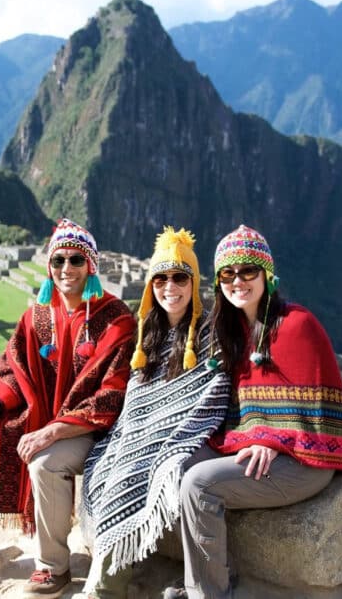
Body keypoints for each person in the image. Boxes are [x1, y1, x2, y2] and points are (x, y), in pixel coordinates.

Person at [0, 218, 136, 598]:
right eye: (59, 260)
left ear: (91, 266)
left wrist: (55, 429)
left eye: (76, 261)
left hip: (93, 429)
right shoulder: (38, 317)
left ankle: (53, 566)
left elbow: (112, 394)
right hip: (43, 419)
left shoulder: (116, 321)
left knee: (44, 460)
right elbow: (12, 371)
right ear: (50, 266)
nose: (67, 269)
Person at [164, 224, 342, 599]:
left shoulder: (298, 326)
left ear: (267, 274)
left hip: (305, 460)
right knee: (179, 462)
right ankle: (207, 580)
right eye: (228, 274)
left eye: (248, 271)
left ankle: (209, 594)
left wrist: (272, 439)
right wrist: (258, 436)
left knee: (200, 484)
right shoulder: (233, 330)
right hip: (256, 447)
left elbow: (315, 417)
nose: (238, 281)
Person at [82, 226, 231, 599]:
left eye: (180, 277)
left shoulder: (211, 335)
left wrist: (166, 438)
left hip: (188, 437)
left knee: (146, 467)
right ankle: (104, 580)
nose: (170, 287)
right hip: (140, 434)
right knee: (107, 463)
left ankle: (103, 590)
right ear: (150, 285)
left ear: (193, 282)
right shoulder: (148, 334)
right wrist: (134, 435)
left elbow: (210, 398)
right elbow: (137, 404)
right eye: (161, 278)